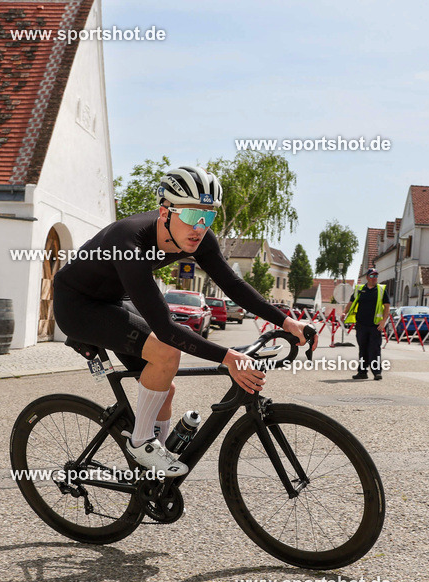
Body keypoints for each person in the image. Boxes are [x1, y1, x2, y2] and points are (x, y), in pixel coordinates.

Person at [52, 165, 317, 477]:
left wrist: (287, 322)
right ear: (166, 211)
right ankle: (141, 444)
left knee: (166, 386)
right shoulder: (129, 240)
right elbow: (165, 328)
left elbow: (233, 286)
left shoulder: (199, 239)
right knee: (167, 352)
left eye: (209, 217)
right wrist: (229, 357)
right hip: (78, 304)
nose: (200, 227)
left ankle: (153, 475)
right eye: (192, 216)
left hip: (114, 299)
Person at [342, 267, 389, 380]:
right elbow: (351, 302)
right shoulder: (359, 289)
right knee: (363, 349)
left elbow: (387, 307)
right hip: (361, 325)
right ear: (367, 277)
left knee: (374, 349)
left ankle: (377, 372)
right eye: (372, 276)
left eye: (376, 276)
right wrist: (344, 313)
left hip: (375, 326)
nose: (374, 278)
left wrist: (383, 321)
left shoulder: (381, 290)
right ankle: (362, 372)